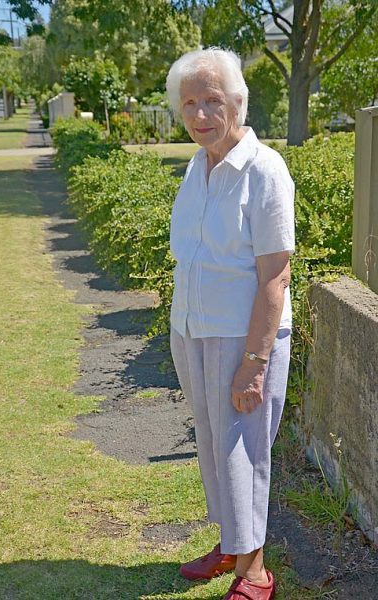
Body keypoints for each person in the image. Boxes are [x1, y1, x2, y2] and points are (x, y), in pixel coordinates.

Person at [166, 47, 295, 600]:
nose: (200, 114)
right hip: (193, 329)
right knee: (213, 441)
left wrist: (254, 362)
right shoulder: (198, 166)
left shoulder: (263, 169)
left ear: (237, 102)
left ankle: (254, 570)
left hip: (243, 338)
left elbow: (275, 276)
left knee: (242, 448)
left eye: (212, 100)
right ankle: (230, 544)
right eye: (189, 103)